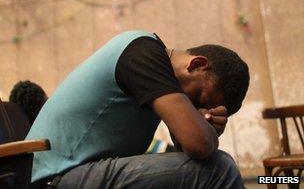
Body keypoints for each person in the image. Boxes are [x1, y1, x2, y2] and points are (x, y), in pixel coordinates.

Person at [26, 30, 249, 189]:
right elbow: (198, 144)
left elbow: (189, 153)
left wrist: (203, 128)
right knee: (221, 169)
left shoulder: (155, 79)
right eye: (200, 98)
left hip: (73, 175)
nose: (197, 109)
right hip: (56, 178)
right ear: (197, 64)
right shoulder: (144, 54)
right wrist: (206, 131)